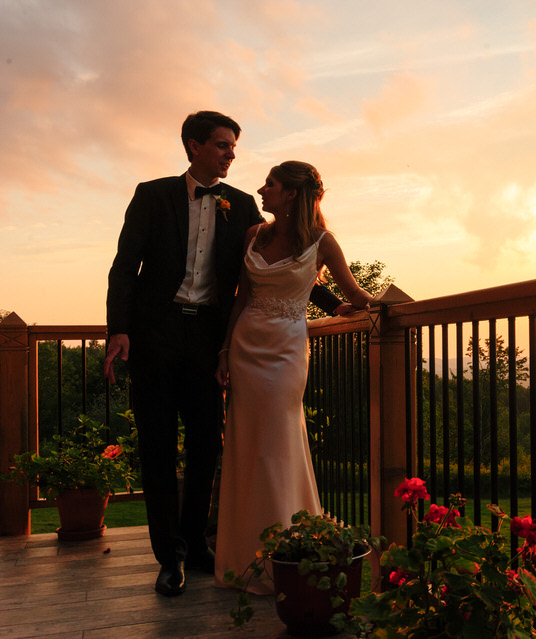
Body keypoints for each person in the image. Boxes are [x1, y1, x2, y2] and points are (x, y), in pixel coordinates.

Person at [103, 112, 346, 597]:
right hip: (155, 336)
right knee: (156, 446)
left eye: (233, 146)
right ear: (194, 147)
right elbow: (125, 267)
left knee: (205, 447)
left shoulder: (240, 207)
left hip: (212, 340)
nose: (231, 154)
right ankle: (168, 556)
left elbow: (283, 259)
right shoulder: (152, 195)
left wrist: (336, 303)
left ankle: (196, 545)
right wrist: (120, 330)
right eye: (221, 146)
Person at [213, 160, 372, 594]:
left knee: (278, 444)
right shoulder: (255, 235)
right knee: (246, 446)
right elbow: (241, 297)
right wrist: (226, 349)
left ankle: (286, 555)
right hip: (246, 347)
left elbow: (354, 293)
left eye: (271, 185)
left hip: (285, 351)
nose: (262, 190)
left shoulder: (322, 242)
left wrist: (375, 306)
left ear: (291, 195)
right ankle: (243, 558)